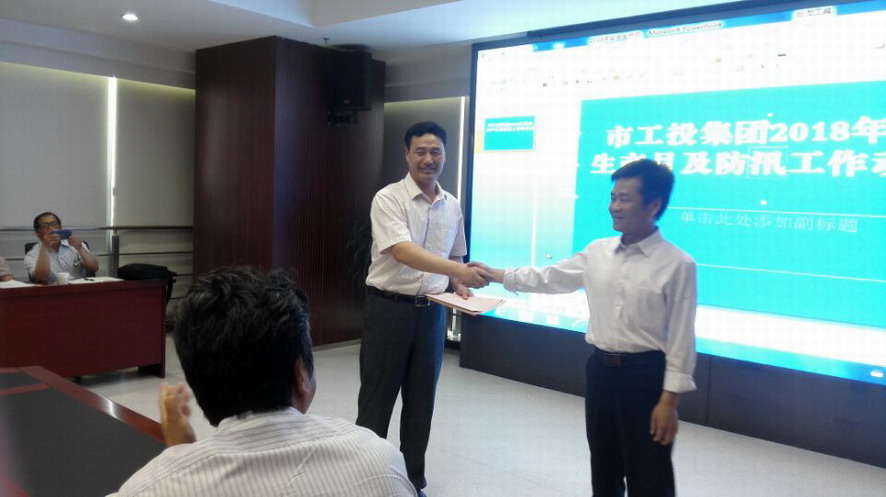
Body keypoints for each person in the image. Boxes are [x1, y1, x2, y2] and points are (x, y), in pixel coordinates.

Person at [475, 159, 697, 497]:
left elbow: (682, 339)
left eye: (624, 199)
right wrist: (495, 274)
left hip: (646, 378)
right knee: (604, 468)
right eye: (613, 197)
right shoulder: (598, 252)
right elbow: (550, 277)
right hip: (601, 372)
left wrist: (669, 402)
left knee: (649, 474)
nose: (614, 206)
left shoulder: (678, 264)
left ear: (653, 205)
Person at [111, 267, 417, 497]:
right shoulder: (379, 462)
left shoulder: (148, 488)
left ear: (199, 381)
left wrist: (182, 454)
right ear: (301, 375)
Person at [357, 121, 490, 495]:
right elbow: (401, 250)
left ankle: (413, 481)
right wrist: (455, 271)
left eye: (436, 152)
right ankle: (366, 480)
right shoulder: (388, 198)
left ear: (445, 155)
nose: (428, 159)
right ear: (407, 154)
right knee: (377, 402)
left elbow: (455, 254)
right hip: (388, 310)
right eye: (421, 151)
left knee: (421, 404)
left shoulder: (452, 205)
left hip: (432, 313)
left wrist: (460, 284)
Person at [24, 211, 99, 283]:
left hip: (79, 288)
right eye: (45, 226)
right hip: (53, 289)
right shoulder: (32, 254)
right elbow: (42, 277)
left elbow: (94, 267)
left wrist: (80, 248)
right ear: (37, 233)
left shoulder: (75, 244)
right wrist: (44, 248)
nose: (51, 229)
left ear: (60, 227)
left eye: (54, 224)